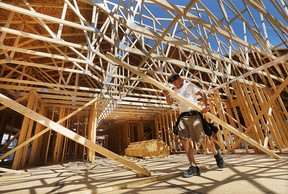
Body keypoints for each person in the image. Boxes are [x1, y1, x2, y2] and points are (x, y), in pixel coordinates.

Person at [163, 73, 224, 178]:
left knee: (202, 140)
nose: (173, 83)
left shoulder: (189, 86)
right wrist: (167, 95)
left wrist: (205, 106)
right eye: (171, 82)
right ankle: (193, 166)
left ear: (180, 78)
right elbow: (170, 103)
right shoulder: (174, 91)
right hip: (182, 117)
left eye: (174, 80)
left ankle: (216, 153)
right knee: (183, 140)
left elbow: (202, 93)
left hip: (194, 114)